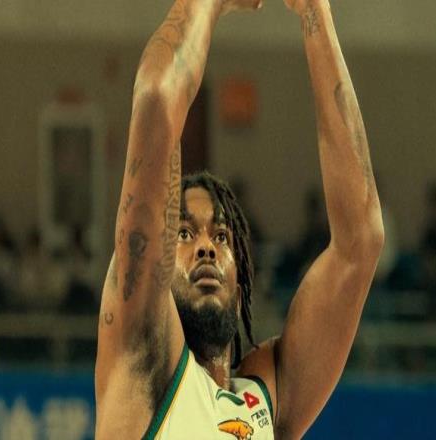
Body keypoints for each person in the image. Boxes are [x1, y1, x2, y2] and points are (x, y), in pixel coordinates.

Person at [95, 0, 384, 439]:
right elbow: (156, 100)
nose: (206, 247)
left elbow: (360, 242)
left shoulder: (266, 394)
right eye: (185, 233)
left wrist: (315, 12)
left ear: (242, 275)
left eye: (222, 236)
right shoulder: (140, 360)